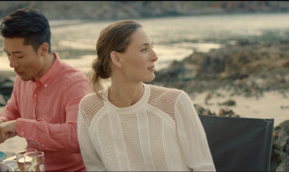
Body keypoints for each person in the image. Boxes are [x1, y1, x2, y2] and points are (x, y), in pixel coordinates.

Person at [77, 19, 215, 171]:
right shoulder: (89, 108)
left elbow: (204, 168)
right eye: (144, 49)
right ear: (117, 58)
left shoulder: (174, 102)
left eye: (152, 47)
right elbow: (95, 168)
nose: (154, 56)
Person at [0, 8, 92, 171]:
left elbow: (77, 137)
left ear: (42, 49)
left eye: (19, 56)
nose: (12, 64)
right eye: (8, 55)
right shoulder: (22, 76)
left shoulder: (74, 83)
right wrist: (2, 122)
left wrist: (20, 126)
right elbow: (13, 109)